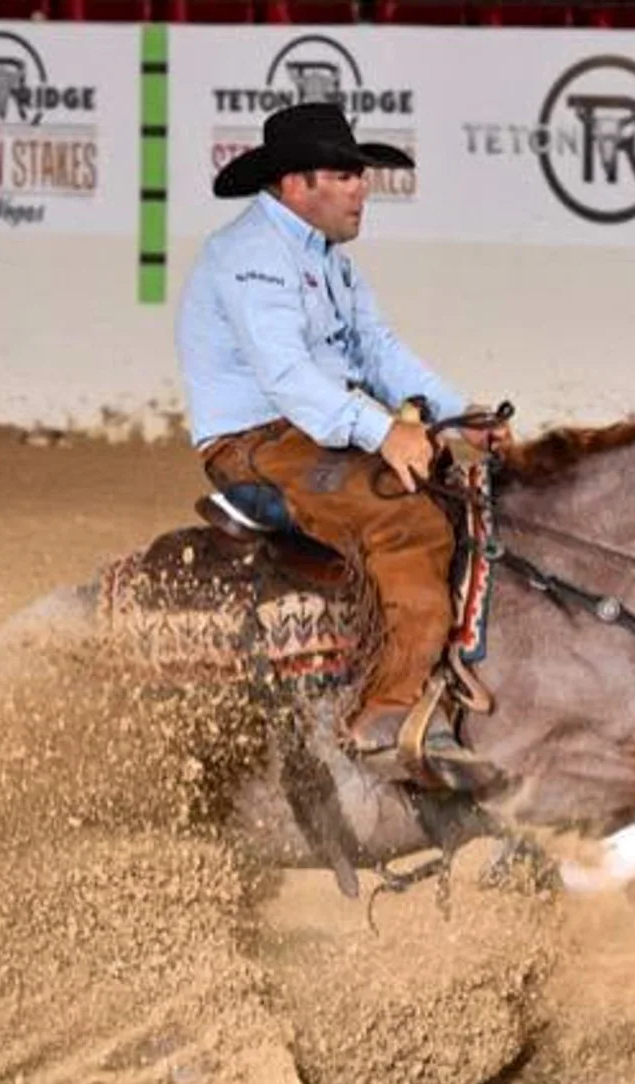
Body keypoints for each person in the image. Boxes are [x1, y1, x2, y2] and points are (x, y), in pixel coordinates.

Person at [174, 101, 491, 777]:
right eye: (344, 174)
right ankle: (389, 714)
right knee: (408, 520)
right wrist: (384, 431)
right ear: (295, 184)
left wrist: (458, 415)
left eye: (360, 173)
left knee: (461, 494)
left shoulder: (329, 262)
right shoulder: (250, 256)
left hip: (313, 433)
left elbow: (378, 350)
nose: (361, 186)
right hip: (256, 443)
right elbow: (288, 376)